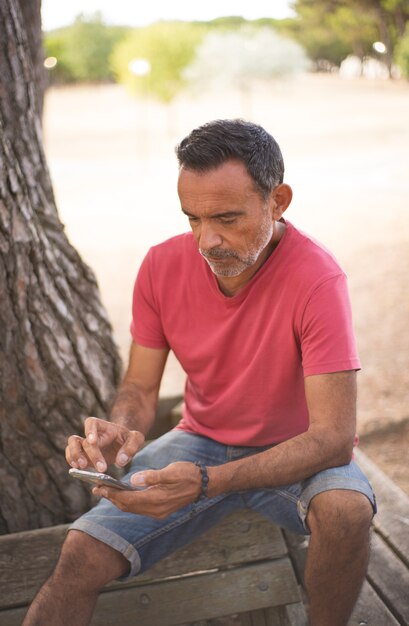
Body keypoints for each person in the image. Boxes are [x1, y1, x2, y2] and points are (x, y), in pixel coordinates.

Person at [23, 119, 376, 626]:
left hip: (296, 451)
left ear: (278, 201)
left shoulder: (318, 279)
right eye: (193, 218)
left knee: (347, 512)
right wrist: (119, 429)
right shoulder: (161, 265)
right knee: (79, 552)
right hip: (202, 440)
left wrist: (209, 483)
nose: (207, 240)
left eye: (228, 219)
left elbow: (334, 439)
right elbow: (140, 387)